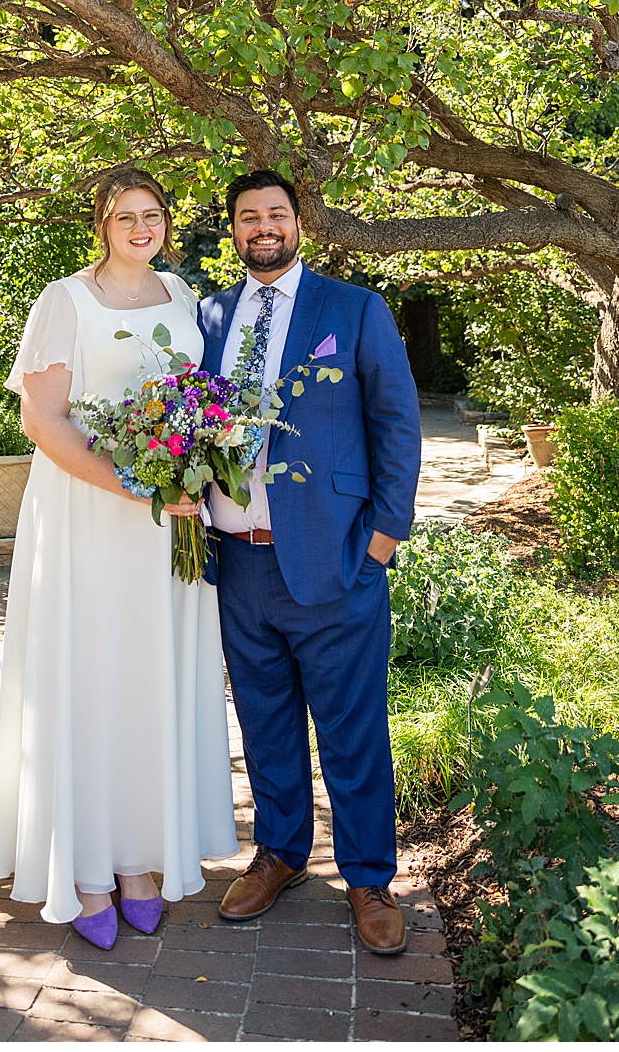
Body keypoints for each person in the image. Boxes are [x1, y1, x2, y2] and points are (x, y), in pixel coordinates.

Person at [0, 167, 238, 948]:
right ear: (101, 223)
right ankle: (84, 869)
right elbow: (43, 422)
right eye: (126, 216)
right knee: (89, 678)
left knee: (149, 679)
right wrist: (131, 483)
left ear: (167, 221)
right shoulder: (66, 300)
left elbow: (203, 397)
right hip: (90, 514)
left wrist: (193, 469)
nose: (141, 228)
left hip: (168, 524)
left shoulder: (183, 296)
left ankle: (139, 860)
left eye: (152, 214)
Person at [200, 170, 422, 954]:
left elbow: (395, 423)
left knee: (353, 728)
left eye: (276, 215)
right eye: (247, 216)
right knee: (263, 723)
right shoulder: (209, 315)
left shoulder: (353, 309)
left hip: (335, 559)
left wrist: (382, 540)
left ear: (300, 224)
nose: (263, 227)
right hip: (238, 561)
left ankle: (368, 876)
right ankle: (282, 853)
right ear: (232, 229)